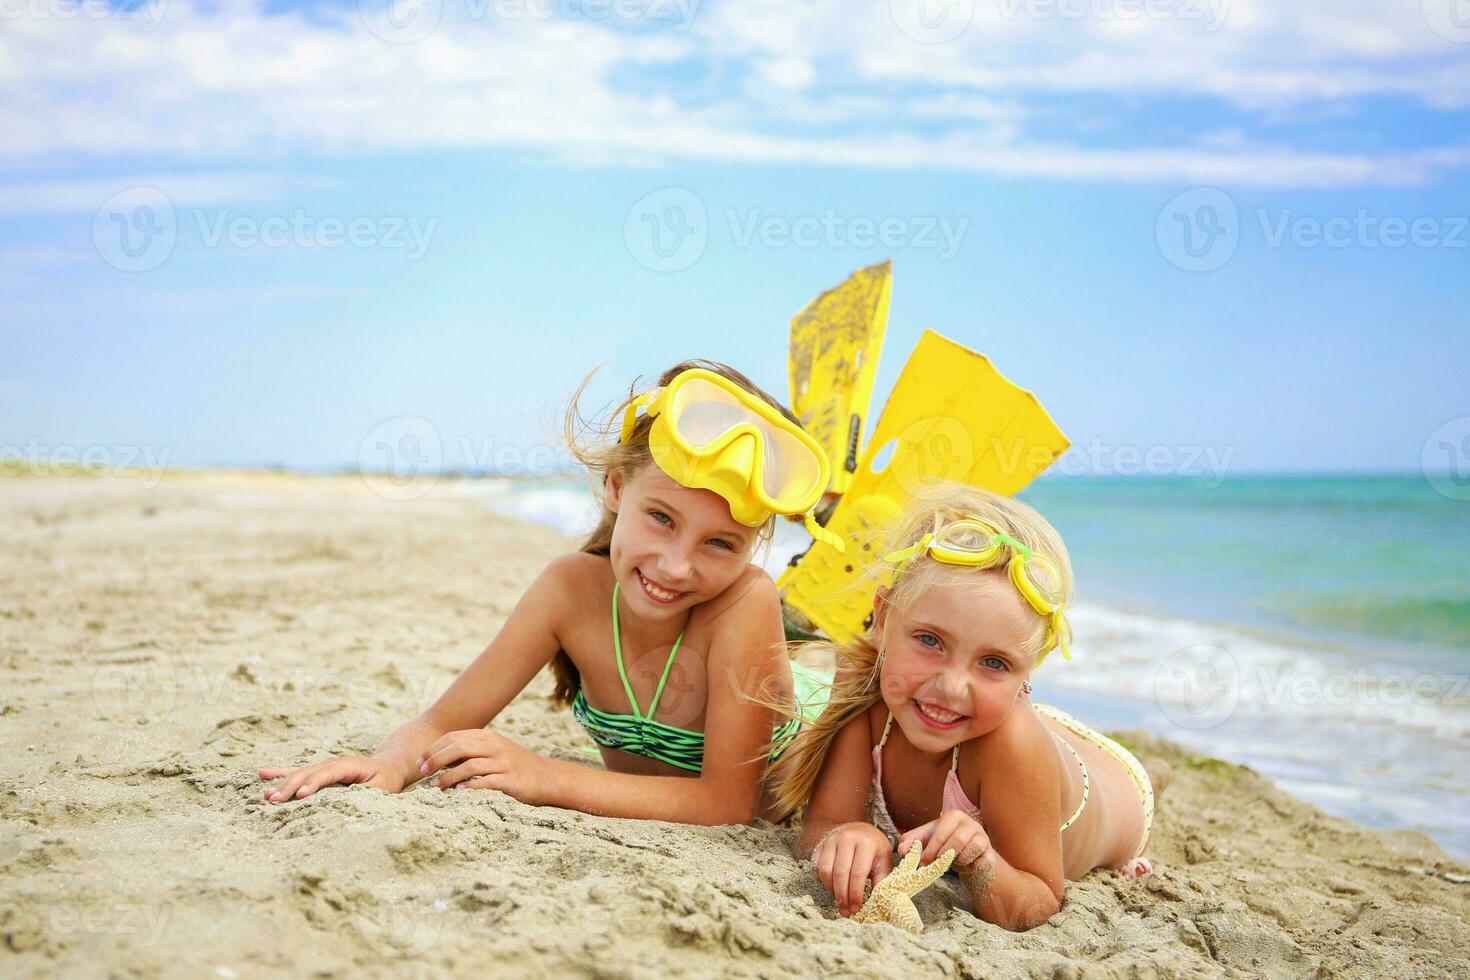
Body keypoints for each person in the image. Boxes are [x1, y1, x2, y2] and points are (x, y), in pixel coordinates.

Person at [259, 360, 836, 825]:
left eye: (721, 544)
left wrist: (543, 775)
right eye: (661, 518)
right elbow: (439, 722)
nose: (678, 566)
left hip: (811, 711)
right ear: (615, 487)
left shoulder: (744, 602)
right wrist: (387, 763)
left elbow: (727, 805)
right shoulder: (569, 589)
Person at [771, 481, 1164, 929]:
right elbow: (821, 826)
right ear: (882, 618)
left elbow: (1038, 903)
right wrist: (848, 834)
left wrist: (980, 860)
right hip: (1036, 733)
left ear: (1027, 674)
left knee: (1138, 783)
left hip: (1113, 790)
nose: (952, 687)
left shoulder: (1012, 744)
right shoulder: (864, 693)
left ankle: (1153, 776)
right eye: (930, 641)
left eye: (993, 662)